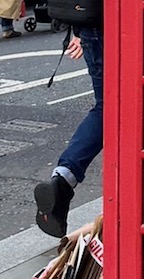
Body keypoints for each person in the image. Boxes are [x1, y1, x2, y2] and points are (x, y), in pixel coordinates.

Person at [34, 28, 103, 237]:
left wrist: (80, 30)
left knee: (106, 107)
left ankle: (63, 179)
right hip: (129, 30)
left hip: (92, 31)